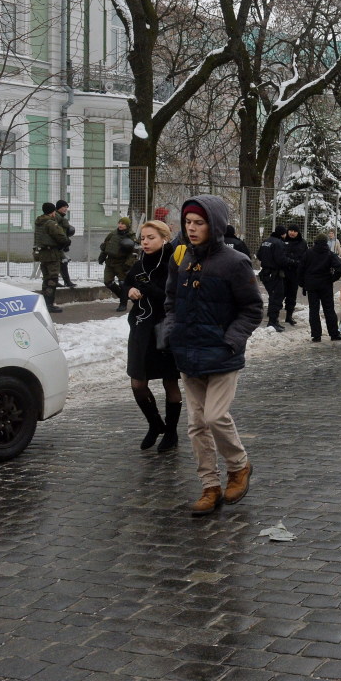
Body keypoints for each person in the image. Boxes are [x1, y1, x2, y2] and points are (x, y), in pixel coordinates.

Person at [161, 195, 261, 516]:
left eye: (199, 223)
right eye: (188, 223)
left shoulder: (235, 262)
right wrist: (172, 332)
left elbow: (252, 309)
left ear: (214, 224)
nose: (192, 229)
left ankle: (238, 466)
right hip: (189, 353)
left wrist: (230, 340)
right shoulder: (182, 258)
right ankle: (209, 485)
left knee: (215, 417)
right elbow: (171, 300)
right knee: (196, 425)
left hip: (222, 355)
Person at [125, 220, 183, 452]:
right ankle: (155, 424)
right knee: (138, 382)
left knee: (170, 381)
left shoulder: (173, 263)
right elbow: (127, 282)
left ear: (164, 238)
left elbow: (171, 297)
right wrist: (128, 290)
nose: (145, 242)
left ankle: (171, 432)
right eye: (143, 238)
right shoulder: (139, 264)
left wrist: (146, 287)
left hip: (165, 329)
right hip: (141, 329)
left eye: (151, 238)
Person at [299, 232, 341, 342]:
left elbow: (300, 269)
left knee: (313, 310)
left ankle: (316, 335)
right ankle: (334, 334)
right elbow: (339, 268)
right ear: (326, 242)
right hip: (325, 285)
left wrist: (303, 284)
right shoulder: (329, 254)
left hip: (311, 286)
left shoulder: (308, 253)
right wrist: (332, 278)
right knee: (329, 310)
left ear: (315, 242)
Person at [33, 202, 71, 314]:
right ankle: (49, 304)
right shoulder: (50, 223)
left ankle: (45, 303)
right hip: (51, 254)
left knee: (46, 278)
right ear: (53, 212)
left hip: (42, 253)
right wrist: (67, 242)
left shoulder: (39, 222)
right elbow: (61, 237)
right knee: (52, 279)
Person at [100, 217, 138, 312]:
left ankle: (123, 304)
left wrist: (128, 264)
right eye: (119, 223)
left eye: (123, 224)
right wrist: (102, 256)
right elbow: (106, 246)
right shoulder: (112, 234)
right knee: (108, 282)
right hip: (110, 262)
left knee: (123, 283)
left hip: (122, 263)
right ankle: (123, 296)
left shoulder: (131, 236)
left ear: (127, 225)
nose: (120, 225)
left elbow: (134, 252)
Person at [256, 226, 290, 331]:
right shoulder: (279, 243)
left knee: (273, 296)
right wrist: (291, 262)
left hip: (266, 273)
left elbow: (259, 255)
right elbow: (281, 260)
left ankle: (274, 321)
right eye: (285, 234)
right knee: (277, 297)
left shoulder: (266, 241)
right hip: (274, 274)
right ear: (282, 234)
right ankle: (272, 322)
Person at [281, 223, 308, 325]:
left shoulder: (302, 243)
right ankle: (274, 316)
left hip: (295, 273)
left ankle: (289, 316)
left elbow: (305, 258)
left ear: (298, 232)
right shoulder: (283, 241)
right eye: (291, 230)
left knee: (292, 295)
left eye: (295, 231)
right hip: (283, 272)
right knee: (280, 294)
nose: (292, 233)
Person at [55, 200, 77, 288]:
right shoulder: (56, 217)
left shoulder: (61, 217)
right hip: (57, 244)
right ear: (59, 207)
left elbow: (64, 232)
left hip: (60, 244)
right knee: (62, 262)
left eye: (66, 207)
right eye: (64, 207)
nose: (65, 209)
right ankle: (66, 281)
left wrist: (65, 243)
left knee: (60, 262)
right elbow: (58, 231)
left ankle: (59, 281)